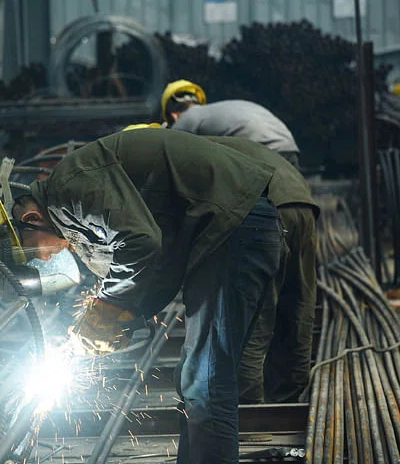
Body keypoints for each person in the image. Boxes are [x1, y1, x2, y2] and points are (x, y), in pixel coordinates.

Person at [0, 128, 283, 464]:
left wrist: (109, 307)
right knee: (195, 380)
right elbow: (151, 265)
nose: (41, 261)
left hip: (235, 226)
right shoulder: (69, 214)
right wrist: (123, 316)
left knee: (207, 382)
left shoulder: (71, 190)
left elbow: (141, 243)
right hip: (224, 233)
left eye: (28, 254)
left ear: (30, 218)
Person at [123, 124, 319, 404]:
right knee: (295, 310)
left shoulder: (159, 171)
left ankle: (246, 413)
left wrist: (130, 307)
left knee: (246, 326)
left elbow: (167, 258)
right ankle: (287, 404)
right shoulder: (194, 149)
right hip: (300, 201)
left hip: (261, 209)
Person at [161, 79, 302, 170]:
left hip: (261, 153)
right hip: (288, 148)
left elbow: (172, 159)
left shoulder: (187, 118)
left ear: (174, 116)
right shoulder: (218, 110)